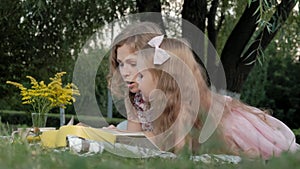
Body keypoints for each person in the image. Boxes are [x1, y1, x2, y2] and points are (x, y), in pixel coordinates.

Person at [135, 35, 300, 159]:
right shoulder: (170, 113)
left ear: (165, 81)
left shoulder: (225, 125)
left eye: (141, 76)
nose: (137, 81)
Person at [106, 21, 163, 131]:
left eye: (133, 64)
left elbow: (163, 142)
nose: (125, 72)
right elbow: (133, 136)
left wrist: (119, 137)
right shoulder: (133, 98)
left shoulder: (168, 95)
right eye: (121, 64)